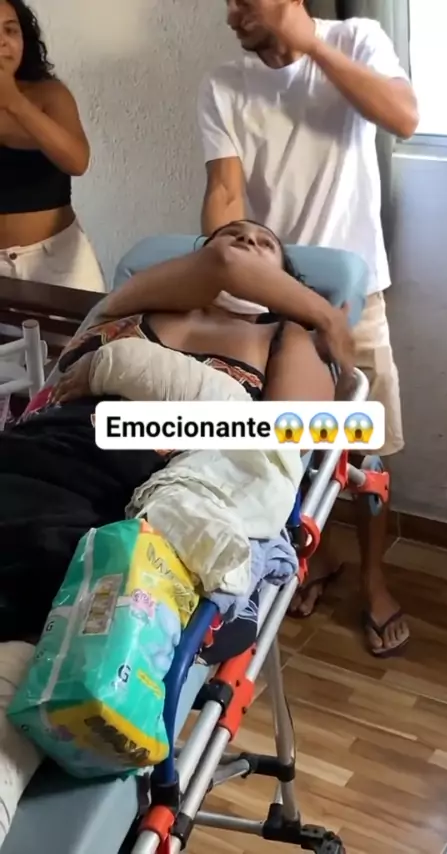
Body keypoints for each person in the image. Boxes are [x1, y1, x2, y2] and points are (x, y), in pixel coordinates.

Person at [197, 0, 419, 656]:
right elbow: (225, 191)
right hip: (273, 299)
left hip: (356, 295)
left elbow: (403, 117)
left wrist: (315, 48)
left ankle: (374, 578)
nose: (232, 13)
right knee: (288, 444)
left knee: (367, 452)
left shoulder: (357, 38)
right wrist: (225, 268)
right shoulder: (223, 83)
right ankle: (314, 557)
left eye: (246, 0)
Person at [0, 219, 340, 644]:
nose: (245, 240)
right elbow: (220, 263)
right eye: (231, 232)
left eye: (265, 244)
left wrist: (125, 374)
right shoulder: (129, 307)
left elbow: (283, 440)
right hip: (39, 443)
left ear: (285, 281)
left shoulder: (282, 336)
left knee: (45, 562)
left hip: (135, 486)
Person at [0, 0, 106, 291]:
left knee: (86, 323)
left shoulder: (50, 94)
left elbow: (77, 161)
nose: (3, 41)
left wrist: (14, 102)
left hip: (57, 261)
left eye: (11, 30)